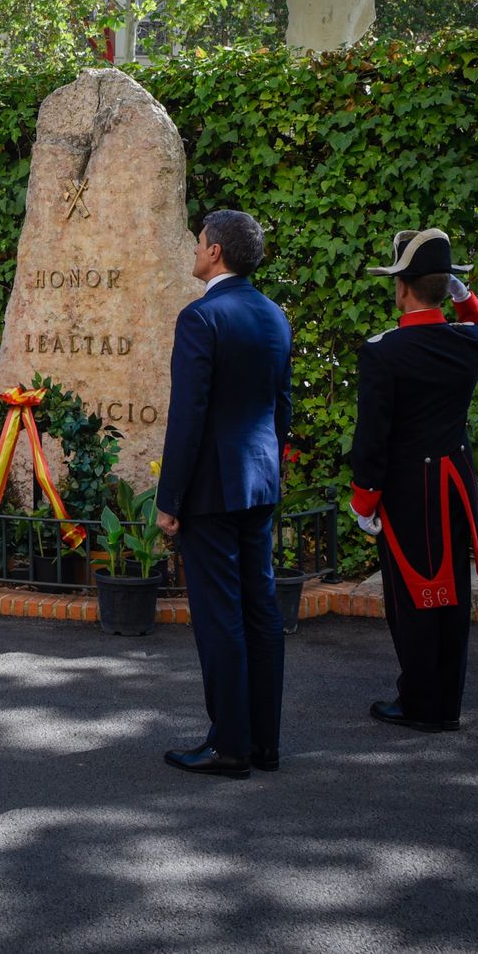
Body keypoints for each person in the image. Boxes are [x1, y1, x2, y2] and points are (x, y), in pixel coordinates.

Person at [155, 209, 292, 780]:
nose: (195, 247)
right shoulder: (274, 315)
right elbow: (281, 406)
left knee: (219, 618)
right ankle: (264, 743)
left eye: (199, 241)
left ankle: (230, 746)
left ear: (215, 251)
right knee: (260, 609)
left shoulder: (201, 317)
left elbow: (188, 416)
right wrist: (268, 468)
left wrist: (170, 498)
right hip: (259, 481)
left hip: (212, 487)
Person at [350, 228, 478, 733]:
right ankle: (445, 703)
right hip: (454, 485)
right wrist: (464, 296)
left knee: (411, 596)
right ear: (444, 287)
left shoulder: (382, 351)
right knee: (451, 595)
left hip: (408, 489)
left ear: (402, 287)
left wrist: (364, 499)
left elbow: (373, 437)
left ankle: (419, 704)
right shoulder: (467, 342)